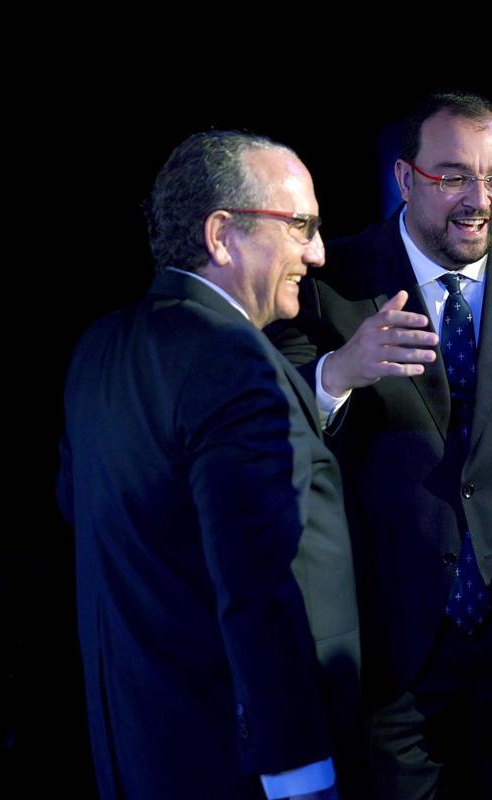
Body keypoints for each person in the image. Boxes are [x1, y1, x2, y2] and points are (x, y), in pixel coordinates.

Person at [276, 92, 492, 798]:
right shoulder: (333, 285)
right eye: (455, 177)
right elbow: (268, 424)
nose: (480, 200)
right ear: (406, 179)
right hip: (392, 656)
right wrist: (338, 372)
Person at [57, 131, 360, 800]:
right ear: (222, 234)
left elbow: (92, 518)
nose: (318, 252)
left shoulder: (98, 349)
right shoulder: (228, 357)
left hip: (137, 749)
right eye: (301, 226)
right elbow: (258, 581)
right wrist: (301, 774)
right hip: (239, 763)